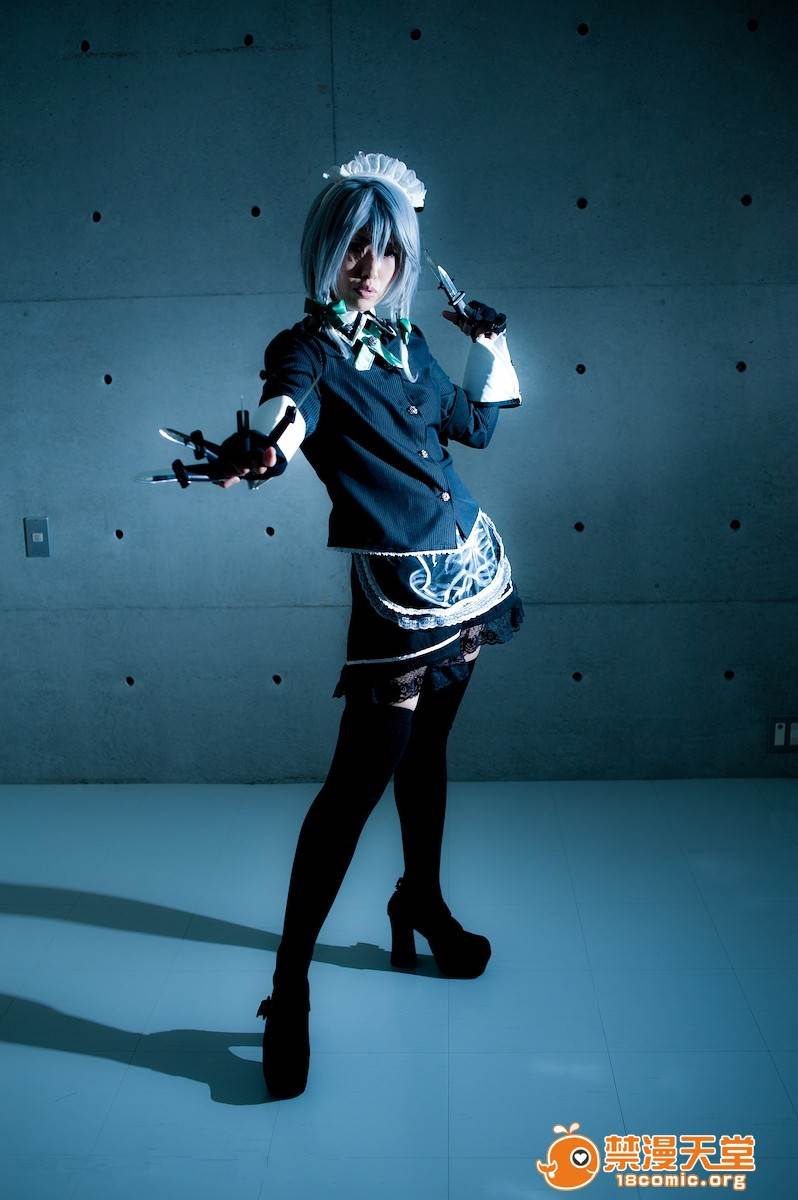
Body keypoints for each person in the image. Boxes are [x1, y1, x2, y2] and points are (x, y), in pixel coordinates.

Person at [217, 151, 525, 1099]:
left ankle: (419, 901)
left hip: (468, 573)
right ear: (328, 248)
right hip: (399, 598)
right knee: (353, 790)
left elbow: (476, 428)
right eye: (356, 247)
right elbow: (289, 411)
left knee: (428, 754)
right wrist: (263, 446)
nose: (372, 267)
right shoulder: (306, 349)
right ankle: (288, 988)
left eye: (388, 252)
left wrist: (490, 341)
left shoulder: (409, 343)